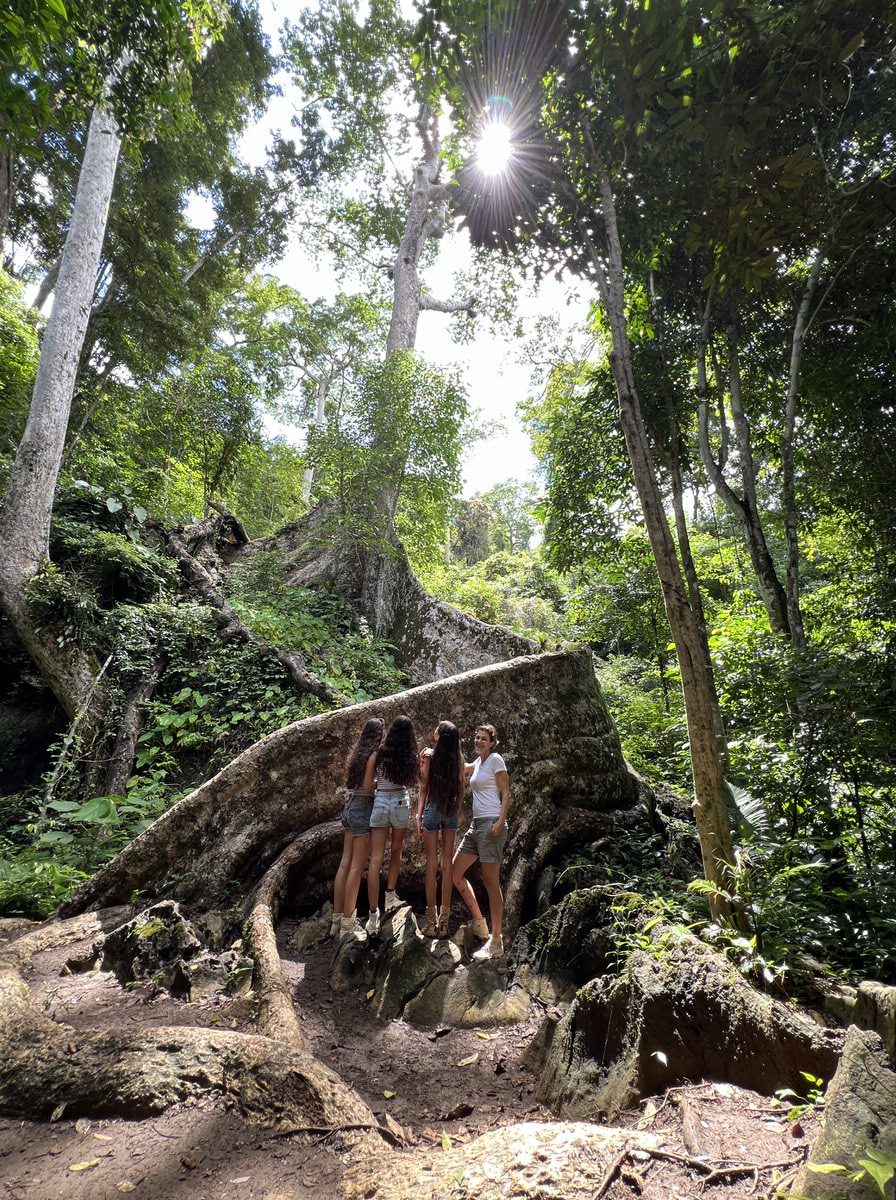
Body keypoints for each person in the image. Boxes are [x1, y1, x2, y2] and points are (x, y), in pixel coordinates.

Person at [452, 724, 511, 960]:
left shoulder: (496, 760)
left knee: (490, 882)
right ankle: (480, 922)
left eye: (483, 738)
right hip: (476, 827)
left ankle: (496, 941)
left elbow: (506, 793)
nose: (478, 741)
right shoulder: (478, 763)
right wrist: (444, 741)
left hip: (491, 825)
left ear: (492, 742)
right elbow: (460, 766)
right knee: (454, 872)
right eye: (476, 737)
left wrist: (500, 821)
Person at [366, 714, 419, 935]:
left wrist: (380, 783)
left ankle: (372, 915)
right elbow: (412, 781)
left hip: (380, 801)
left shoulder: (379, 754)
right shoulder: (410, 756)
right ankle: (390, 897)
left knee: (376, 859)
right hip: (400, 801)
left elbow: (369, 785)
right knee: (396, 852)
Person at [332, 717, 384, 938]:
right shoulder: (373, 756)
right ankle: (348, 922)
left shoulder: (358, 754)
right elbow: (367, 786)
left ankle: (337, 919)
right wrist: (380, 782)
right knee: (356, 866)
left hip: (351, 807)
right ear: (378, 736)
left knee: (345, 863)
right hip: (363, 809)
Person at [416, 720, 465, 938]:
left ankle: (430, 921)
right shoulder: (458, 759)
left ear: (440, 735)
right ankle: (444, 924)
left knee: (431, 864)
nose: (434, 731)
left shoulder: (429, 756)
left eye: (437, 729)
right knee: (447, 864)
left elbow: (424, 786)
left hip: (433, 809)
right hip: (451, 810)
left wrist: (418, 815)